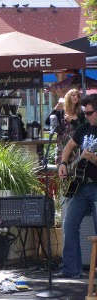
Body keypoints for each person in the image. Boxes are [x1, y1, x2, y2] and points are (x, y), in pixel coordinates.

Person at [57, 93, 97, 279]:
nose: (87, 116)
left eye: (90, 113)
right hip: (81, 186)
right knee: (69, 225)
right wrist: (63, 164)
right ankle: (71, 270)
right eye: (86, 113)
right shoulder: (84, 129)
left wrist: (93, 158)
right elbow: (69, 147)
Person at [46, 88, 85, 165]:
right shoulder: (61, 112)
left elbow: (83, 128)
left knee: (74, 168)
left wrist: (73, 121)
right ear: (68, 97)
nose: (75, 97)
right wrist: (54, 109)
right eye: (73, 95)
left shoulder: (80, 113)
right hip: (62, 145)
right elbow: (47, 122)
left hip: (75, 145)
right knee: (61, 168)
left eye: (77, 96)